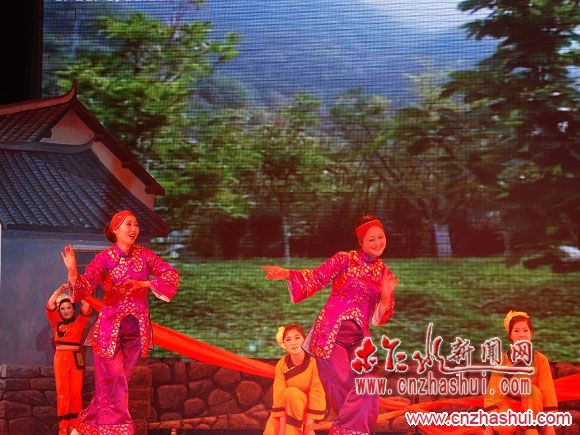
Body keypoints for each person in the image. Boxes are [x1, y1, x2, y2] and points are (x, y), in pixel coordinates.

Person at [262, 215, 399, 435]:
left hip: (360, 338)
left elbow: (378, 319)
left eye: (380, 237)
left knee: (368, 384)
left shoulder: (384, 273)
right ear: (361, 241)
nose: (377, 243)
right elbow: (317, 277)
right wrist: (287, 274)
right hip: (331, 335)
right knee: (342, 381)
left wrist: (385, 296)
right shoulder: (344, 259)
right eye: (371, 239)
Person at [61, 210, 180, 435]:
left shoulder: (145, 256)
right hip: (109, 332)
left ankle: (83, 429)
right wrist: (73, 271)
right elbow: (83, 289)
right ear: (115, 230)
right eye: (128, 224)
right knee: (115, 381)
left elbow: (170, 275)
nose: (134, 229)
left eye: (136, 224)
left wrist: (144, 284)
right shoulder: (104, 258)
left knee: (116, 385)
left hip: (135, 333)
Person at [484, 311, 558, 435]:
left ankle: (530, 428)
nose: (521, 335)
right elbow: (494, 391)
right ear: (510, 335)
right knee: (503, 427)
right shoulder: (502, 360)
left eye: (525, 330)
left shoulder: (540, 359)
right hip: (509, 405)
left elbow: (547, 390)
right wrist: (489, 425)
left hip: (532, 407)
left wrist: (550, 425)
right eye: (516, 331)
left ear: (531, 333)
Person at [263, 323, 326, 435]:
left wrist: (309, 426)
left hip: (307, 410)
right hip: (284, 410)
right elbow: (279, 394)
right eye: (288, 339)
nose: (293, 343)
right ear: (284, 344)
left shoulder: (314, 362)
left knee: (291, 393)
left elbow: (317, 392)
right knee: (271, 431)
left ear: (304, 340)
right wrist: (282, 427)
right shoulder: (281, 365)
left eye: (297, 338)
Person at [46, 283, 92, 434]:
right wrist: (60, 289)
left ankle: (75, 427)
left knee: (76, 393)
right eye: (63, 308)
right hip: (61, 359)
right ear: (59, 311)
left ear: (73, 309)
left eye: (69, 308)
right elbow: (50, 304)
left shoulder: (79, 322)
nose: (66, 311)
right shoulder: (56, 322)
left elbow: (86, 306)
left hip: (76, 359)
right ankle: (63, 428)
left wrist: (75, 291)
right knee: (63, 393)